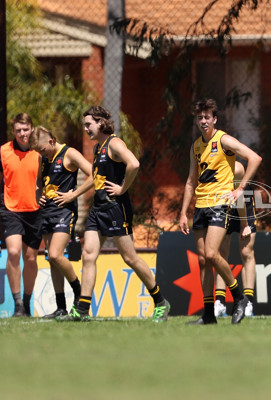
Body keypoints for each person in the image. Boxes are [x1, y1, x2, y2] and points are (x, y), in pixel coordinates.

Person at [59, 105, 170, 322]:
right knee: (89, 255)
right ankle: (81, 310)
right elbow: (96, 178)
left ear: (100, 123)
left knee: (130, 258)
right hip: (97, 209)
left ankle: (160, 301)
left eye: (88, 124)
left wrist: (122, 188)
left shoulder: (114, 143)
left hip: (115, 208)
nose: (85, 129)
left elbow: (134, 164)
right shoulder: (98, 147)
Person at [179, 98, 262, 325]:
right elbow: (190, 181)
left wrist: (240, 188)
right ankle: (208, 316)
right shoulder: (196, 146)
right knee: (204, 261)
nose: (203, 121)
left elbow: (255, 158)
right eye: (200, 118)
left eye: (207, 117)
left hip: (219, 204)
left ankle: (239, 298)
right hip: (200, 206)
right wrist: (183, 212)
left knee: (213, 254)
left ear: (214, 119)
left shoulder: (223, 139)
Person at [29, 126, 93, 318]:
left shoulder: (69, 153)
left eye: (42, 150)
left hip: (64, 211)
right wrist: (38, 194)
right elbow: (39, 181)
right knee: (52, 260)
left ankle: (79, 291)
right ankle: (61, 308)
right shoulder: (44, 158)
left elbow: (94, 174)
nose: (41, 154)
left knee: (56, 254)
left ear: (50, 141)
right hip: (47, 211)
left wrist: (73, 194)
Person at [0, 113, 42, 317]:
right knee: (14, 252)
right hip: (10, 208)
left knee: (31, 259)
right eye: (18, 130)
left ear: (31, 128)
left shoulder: (39, 151)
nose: (22, 134)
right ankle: (17, 305)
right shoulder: (4, 151)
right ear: (13, 132)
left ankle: (26, 301)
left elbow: (47, 178)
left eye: (25, 129)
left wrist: (44, 194)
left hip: (34, 211)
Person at [214, 161, 257, 318]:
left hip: (243, 205)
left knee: (247, 252)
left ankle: (248, 302)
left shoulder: (237, 168)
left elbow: (239, 198)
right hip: (223, 207)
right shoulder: (209, 162)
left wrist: (244, 223)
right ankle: (219, 302)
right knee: (220, 254)